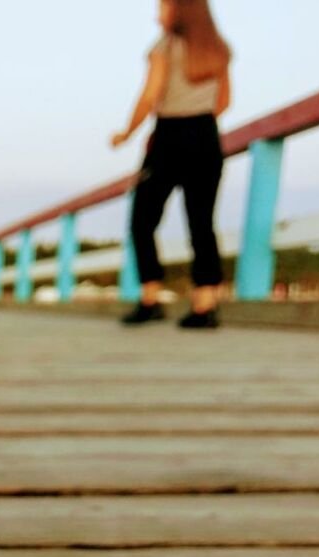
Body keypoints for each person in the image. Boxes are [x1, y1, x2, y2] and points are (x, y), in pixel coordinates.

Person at [112, 0, 232, 329]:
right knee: (201, 223)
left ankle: (151, 297)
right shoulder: (218, 49)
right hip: (206, 135)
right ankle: (205, 304)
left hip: (169, 136)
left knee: (143, 219)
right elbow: (224, 101)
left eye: (162, 8)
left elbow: (150, 96)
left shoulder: (163, 47)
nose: (157, 15)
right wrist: (198, 122)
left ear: (180, 11)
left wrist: (126, 133)